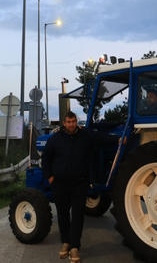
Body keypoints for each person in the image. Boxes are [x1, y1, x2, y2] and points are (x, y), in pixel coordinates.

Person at [41, 111, 120, 262]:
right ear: (64, 123)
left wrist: (117, 139)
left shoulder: (85, 136)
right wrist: (50, 178)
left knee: (77, 216)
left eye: (73, 121)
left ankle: (75, 247)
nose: (71, 124)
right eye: (68, 122)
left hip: (79, 184)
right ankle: (65, 243)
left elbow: (101, 138)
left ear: (76, 122)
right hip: (60, 184)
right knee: (63, 215)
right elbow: (46, 158)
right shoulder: (55, 139)